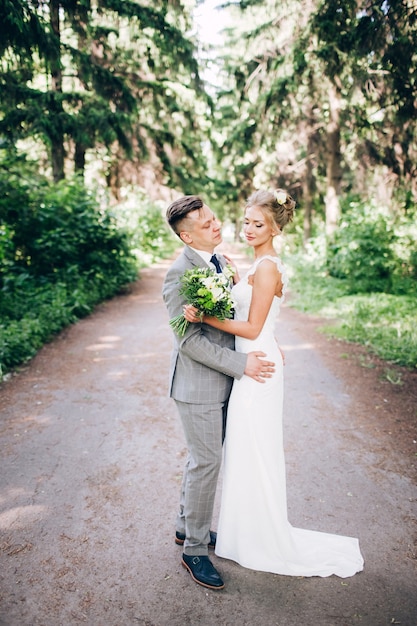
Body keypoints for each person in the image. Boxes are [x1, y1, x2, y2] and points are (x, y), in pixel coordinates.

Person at [184, 188, 364, 578]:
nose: (248, 228)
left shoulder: (266, 267)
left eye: (258, 224)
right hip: (255, 358)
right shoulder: (254, 265)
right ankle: (242, 533)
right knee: (247, 452)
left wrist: (204, 319)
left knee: (255, 452)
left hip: (256, 368)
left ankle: (260, 538)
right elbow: (265, 318)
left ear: (275, 227)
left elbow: (251, 326)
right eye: (246, 221)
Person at [162, 195, 275, 591]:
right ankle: (194, 549)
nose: (216, 225)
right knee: (207, 463)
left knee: (202, 461)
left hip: (224, 383)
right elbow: (188, 343)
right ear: (185, 234)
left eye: (213, 217)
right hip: (198, 387)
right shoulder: (179, 273)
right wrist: (240, 365)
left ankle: (183, 524)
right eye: (205, 223)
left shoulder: (220, 263)